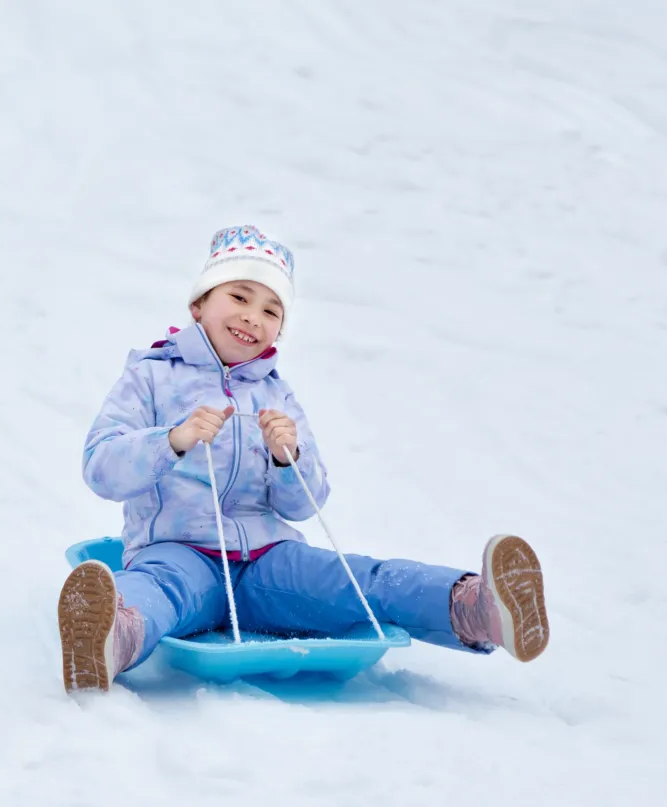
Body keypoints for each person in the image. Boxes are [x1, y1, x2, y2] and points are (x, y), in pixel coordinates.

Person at [57, 225, 549, 692]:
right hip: (177, 553)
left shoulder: (277, 396)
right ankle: (108, 639)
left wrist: (287, 459)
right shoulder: (151, 377)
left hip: (268, 562)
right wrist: (172, 440)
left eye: (273, 310)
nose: (254, 316)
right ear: (198, 304)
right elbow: (101, 466)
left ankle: (476, 608)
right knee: (156, 592)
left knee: (361, 580)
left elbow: (305, 504)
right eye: (240, 296)